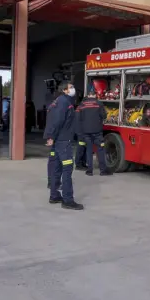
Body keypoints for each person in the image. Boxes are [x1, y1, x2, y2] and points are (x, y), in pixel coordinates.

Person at [43, 81, 83, 210]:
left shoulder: (58, 101)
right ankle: (67, 200)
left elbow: (52, 120)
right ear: (64, 90)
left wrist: (51, 137)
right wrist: (51, 136)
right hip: (63, 141)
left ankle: (54, 195)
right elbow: (58, 121)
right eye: (71, 87)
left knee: (56, 168)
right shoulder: (64, 102)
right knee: (67, 169)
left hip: (58, 140)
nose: (73, 89)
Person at [75, 91, 112, 176]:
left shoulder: (82, 105)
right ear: (95, 95)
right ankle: (103, 171)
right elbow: (104, 116)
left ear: (88, 95)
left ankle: (89, 171)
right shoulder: (99, 103)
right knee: (100, 150)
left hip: (86, 132)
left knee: (89, 150)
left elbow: (78, 118)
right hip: (97, 132)